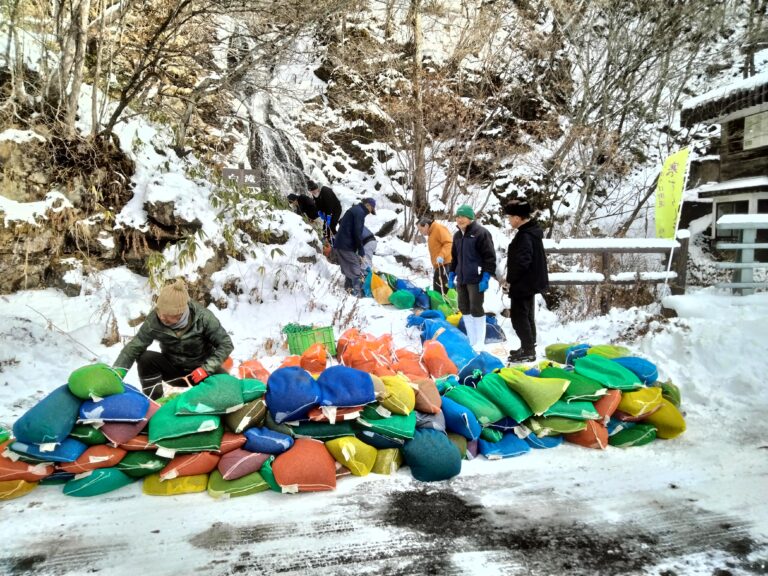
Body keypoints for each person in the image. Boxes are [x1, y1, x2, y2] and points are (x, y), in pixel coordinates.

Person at [112, 279, 234, 400]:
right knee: (145, 358)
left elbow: (226, 344)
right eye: (160, 312)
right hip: (173, 371)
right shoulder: (154, 319)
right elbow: (134, 346)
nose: (161, 317)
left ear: (180, 313)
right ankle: (155, 402)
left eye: (167, 315)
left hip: (201, 372)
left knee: (228, 387)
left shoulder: (204, 318)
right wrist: (116, 373)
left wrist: (206, 369)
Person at [504, 200, 549, 363]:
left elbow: (522, 262)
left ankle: (528, 350)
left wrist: (510, 280)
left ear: (517, 218)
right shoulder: (531, 231)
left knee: (519, 317)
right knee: (527, 315)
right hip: (529, 282)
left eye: (510, 217)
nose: (509, 220)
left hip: (523, 283)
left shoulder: (525, 235)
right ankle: (528, 346)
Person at [448, 204, 496, 347]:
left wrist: (486, 276)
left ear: (470, 218)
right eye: (457, 216)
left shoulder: (481, 233)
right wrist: (451, 274)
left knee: (476, 308)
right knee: (464, 308)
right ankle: (471, 340)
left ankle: (480, 342)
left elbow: (490, 257)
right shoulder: (457, 236)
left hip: (477, 278)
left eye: (463, 216)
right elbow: (455, 258)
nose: (459, 219)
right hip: (462, 278)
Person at [333, 198, 377, 296]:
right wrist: (361, 250)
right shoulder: (360, 213)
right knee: (355, 266)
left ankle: (348, 287)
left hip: (340, 244)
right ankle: (357, 292)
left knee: (348, 265)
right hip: (346, 245)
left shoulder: (355, 210)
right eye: (371, 210)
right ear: (368, 205)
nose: (370, 212)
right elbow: (357, 232)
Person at [417, 216, 453, 294]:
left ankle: (450, 304)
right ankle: (441, 304)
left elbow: (449, 243)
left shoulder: (438, 229)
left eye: (421, 229)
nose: (421, 232)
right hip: (439, 265)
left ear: (426, 225)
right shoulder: (432, 233)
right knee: (438, 287)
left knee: (443, 288)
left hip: (446, 263)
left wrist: (441, 255)